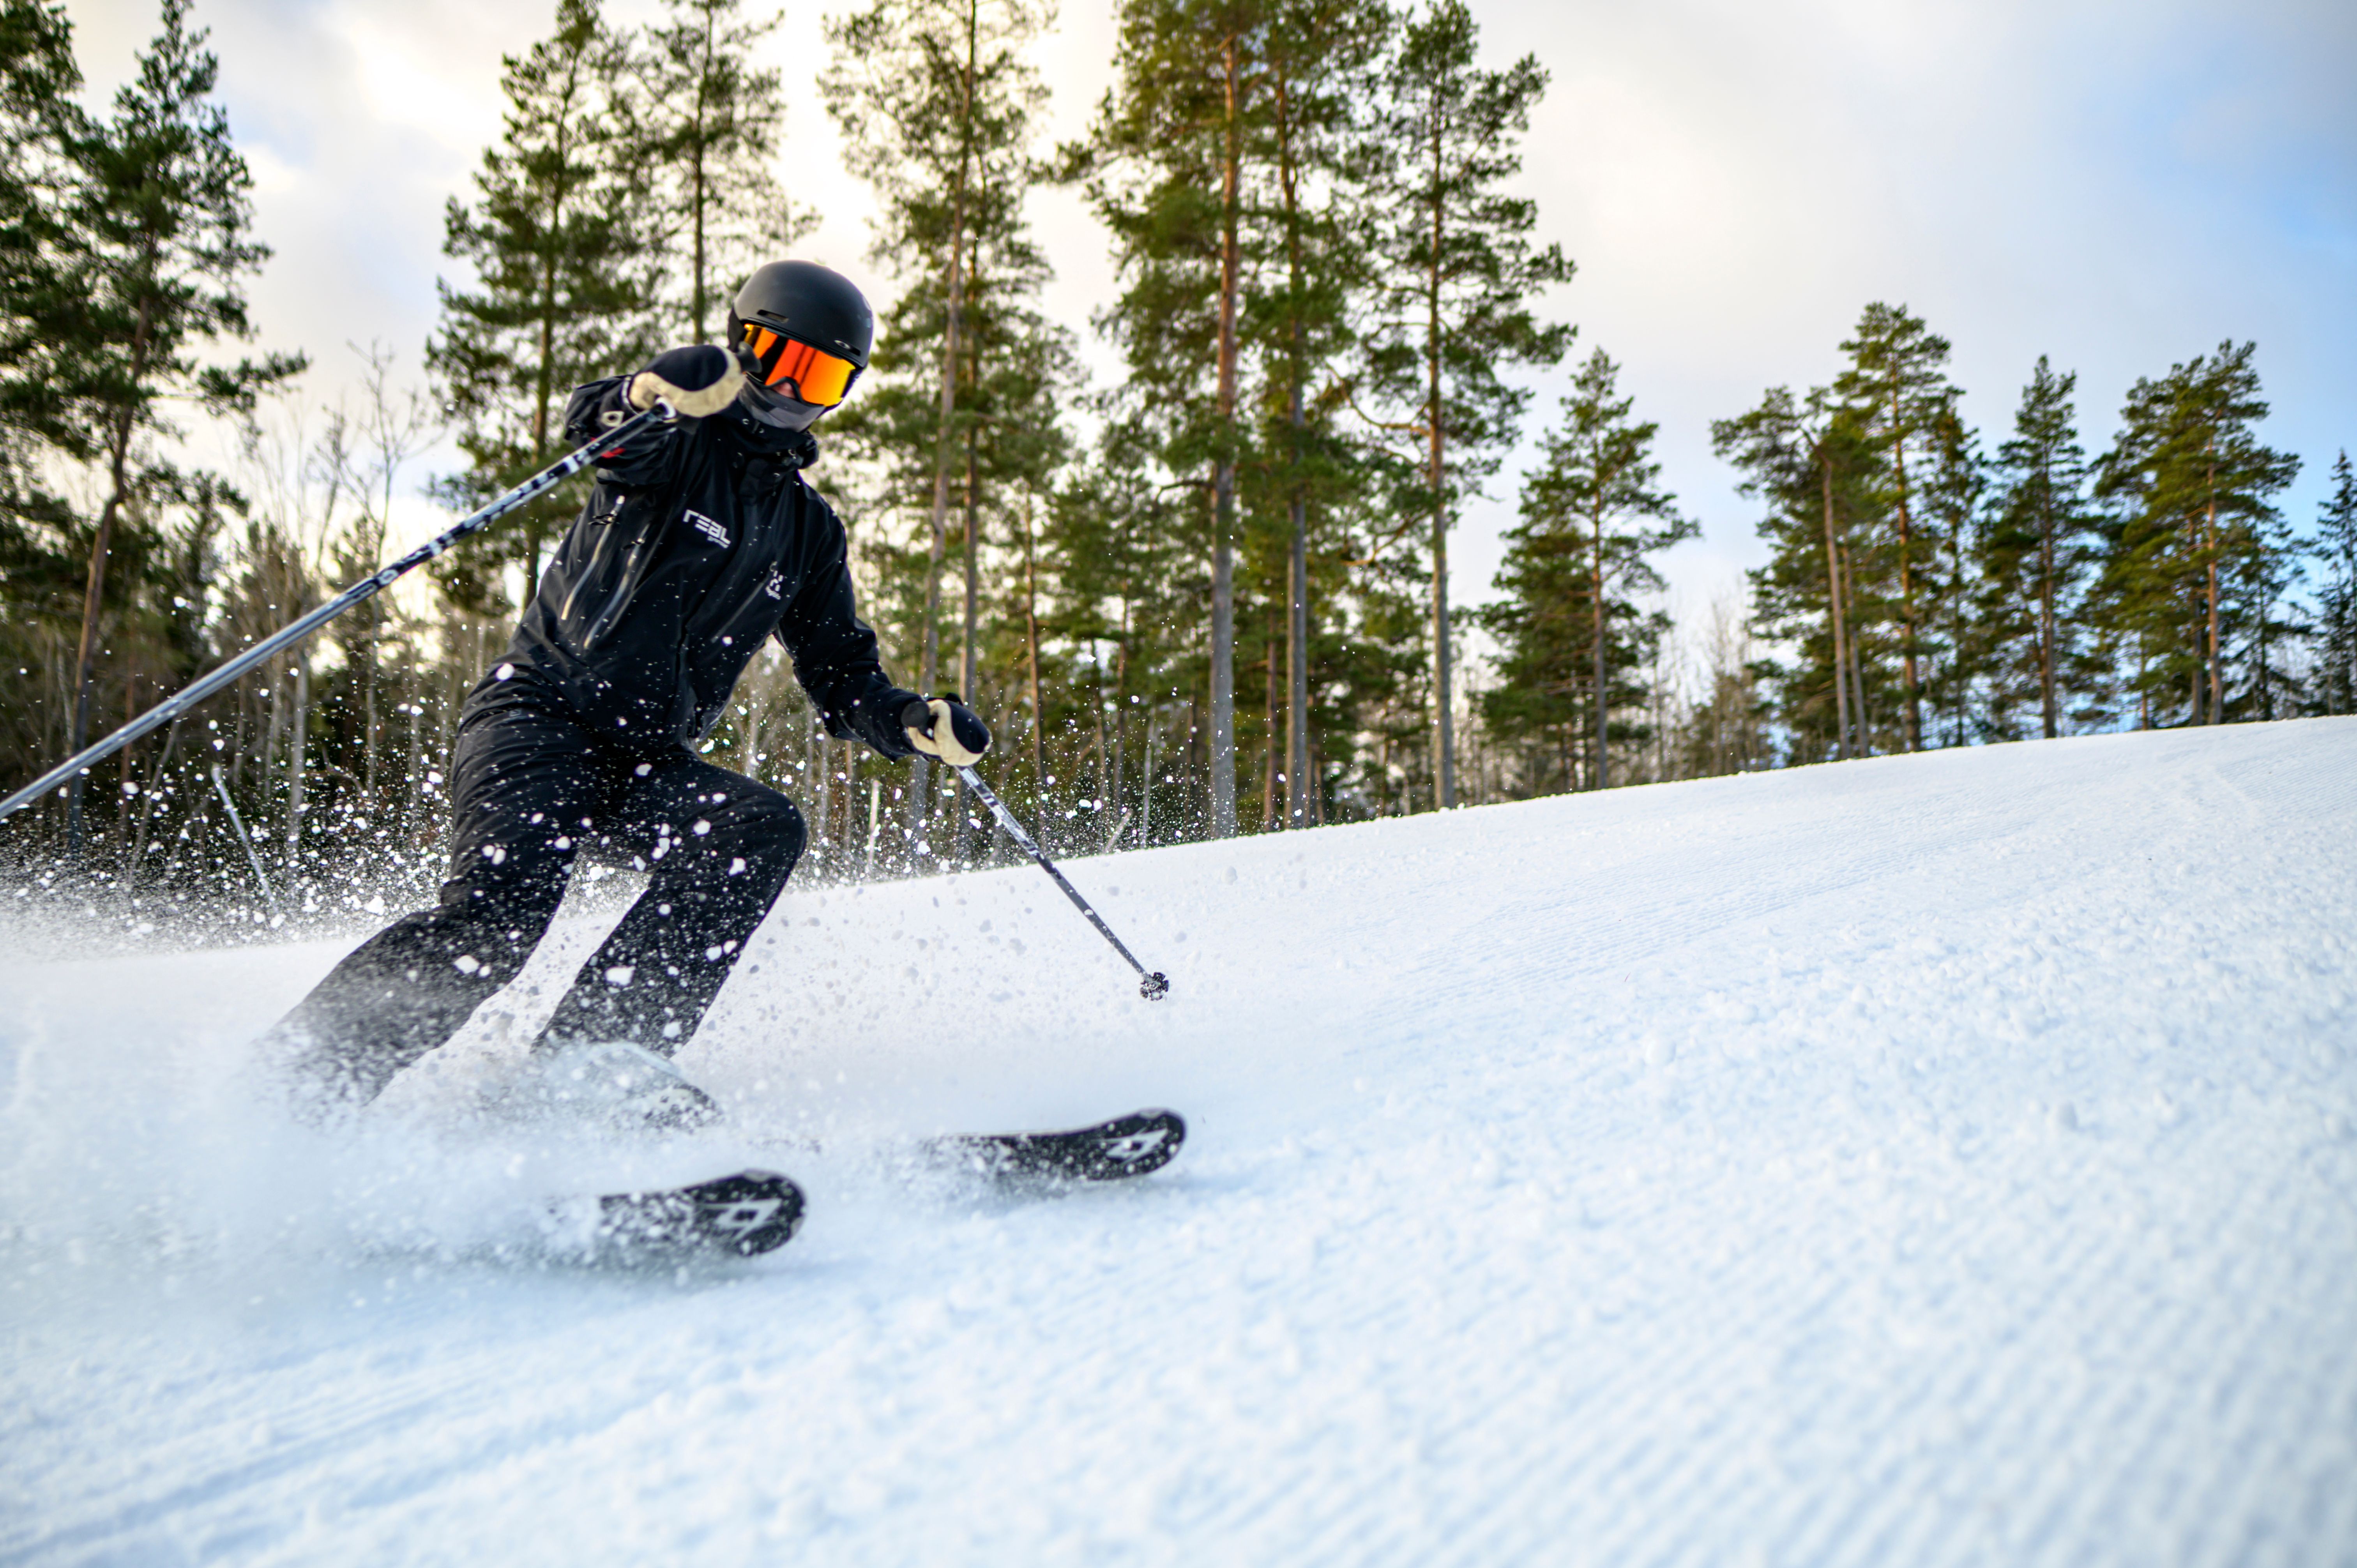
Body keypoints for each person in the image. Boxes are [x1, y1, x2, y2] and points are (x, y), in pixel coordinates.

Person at [265, 261, 989, 1129]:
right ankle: (291, 1092)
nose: (794, 389)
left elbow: (840, 673)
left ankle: (581, 1072)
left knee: (757, 827)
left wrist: (909, 719)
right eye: (778, 358)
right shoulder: (675, 441)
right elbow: (605, 434)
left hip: (644, 759)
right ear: (741, 342)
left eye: (822, 375)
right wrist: (645, 392)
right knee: (496, 926)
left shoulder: (808, 528)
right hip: (539, 720)